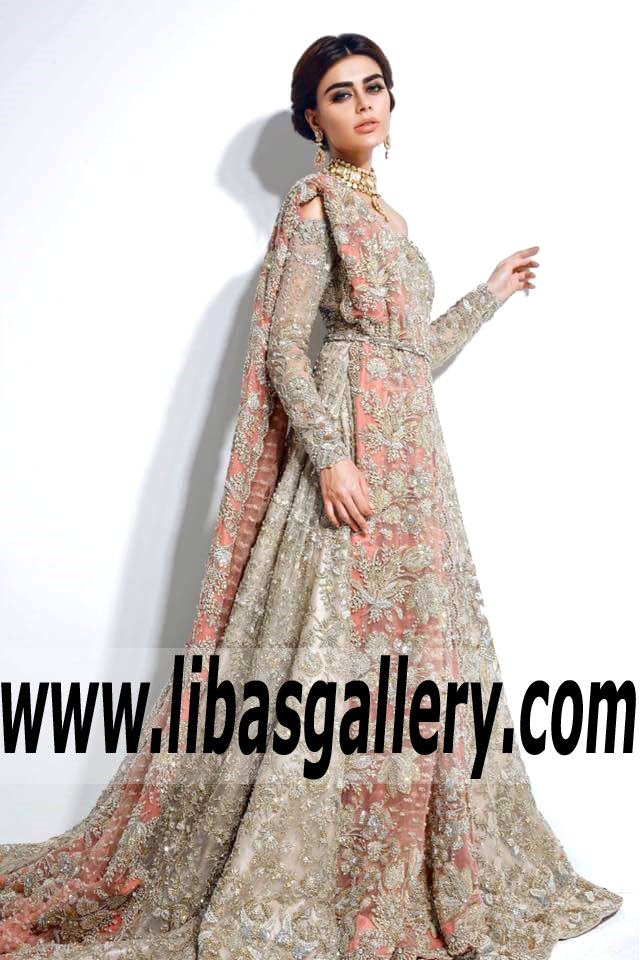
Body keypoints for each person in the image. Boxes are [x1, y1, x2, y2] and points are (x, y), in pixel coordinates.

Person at [0, 31, 623, 960]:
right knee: (329, 658)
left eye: (376, 86)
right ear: (312, 120)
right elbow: (286, 348)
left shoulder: (391, 219)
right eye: (341, 93)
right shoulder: (314, 205)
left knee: (410, 668)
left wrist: (488, 295)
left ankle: (401, 858)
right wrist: (331, 456)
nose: (365, 103)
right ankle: (315, 868)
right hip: (354, 455)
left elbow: (411, 354)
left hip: (416, 468)